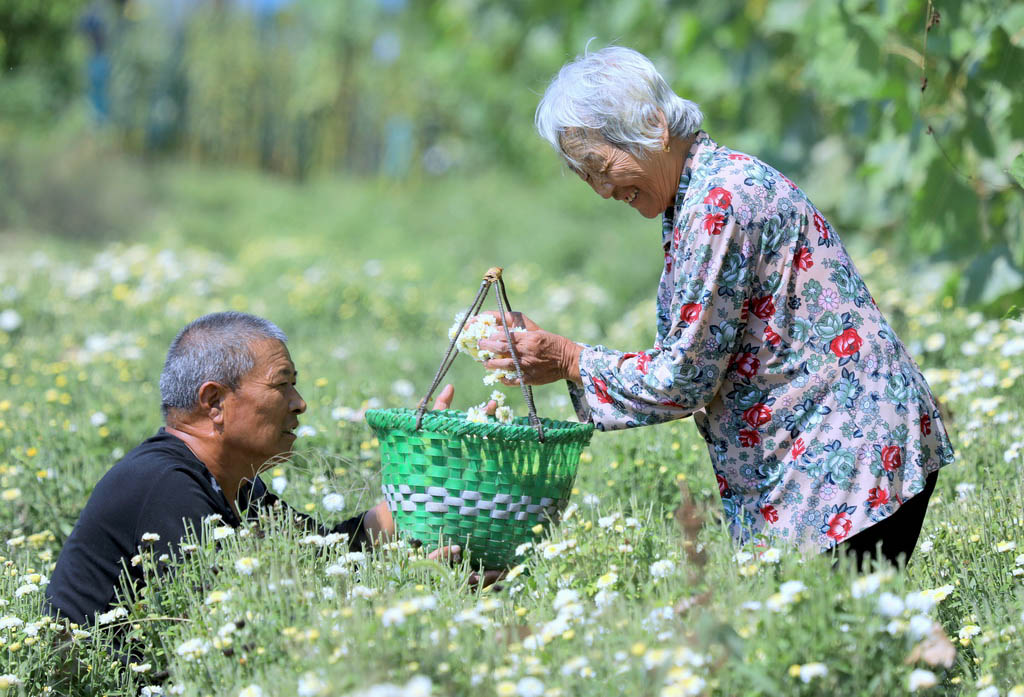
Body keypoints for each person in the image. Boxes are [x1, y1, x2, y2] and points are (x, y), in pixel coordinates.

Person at [478, 46, 955, 569]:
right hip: (834, 455)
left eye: (600, 165)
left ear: (654, 126)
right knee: (852, 632)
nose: (602, 188)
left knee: (838, 634)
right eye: (585, 176)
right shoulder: (700, 194)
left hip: (846, 454)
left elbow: (683, 378)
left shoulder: (719, 202)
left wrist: (570, 359)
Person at [45, 311, 477, 627]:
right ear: (214, 402)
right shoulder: (162, 483)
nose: (299, 402)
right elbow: (254, 614)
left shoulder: (241, 487)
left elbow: (327, 555)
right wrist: (413, 586)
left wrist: (428, 472)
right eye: (281, 384)